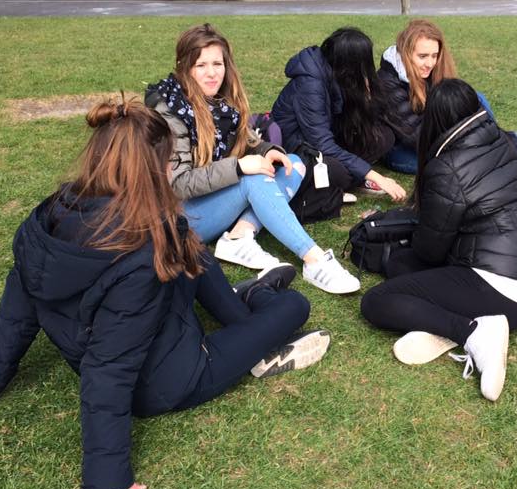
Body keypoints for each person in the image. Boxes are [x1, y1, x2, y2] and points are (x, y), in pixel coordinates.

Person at [0, 97, 330, 489]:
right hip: (169, 381)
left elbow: (13, 320)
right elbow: (108, 365)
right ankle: (258, 299)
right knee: (294, 305)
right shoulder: (141, 251)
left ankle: (245, 314)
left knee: (189, 244)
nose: (172, 169)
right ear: (154, 168)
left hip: (158, 322)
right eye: (169, 161)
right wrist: (104, 477)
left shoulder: (50, 216)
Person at [359, 79, 517, 401]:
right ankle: (450, 323)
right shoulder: (499, 141)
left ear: (434, 117)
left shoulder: (446, 166)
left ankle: (472, 332)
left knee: (376, 300)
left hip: (494, 287)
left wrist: (408, 234)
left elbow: (430, 250)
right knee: (400, 263)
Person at [146, 24, 361, 294]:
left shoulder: (221, 100)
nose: (212, 73)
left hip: (212, 196)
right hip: (179, 217)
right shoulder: (170, 111)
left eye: (217, 64)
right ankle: (314, 260)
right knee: (253, 179)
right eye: (201, 65)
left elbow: (248, 141)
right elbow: (178, 185)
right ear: (185, 68)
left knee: (292, 163)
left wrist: (267, 150)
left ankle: (239, 236)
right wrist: (238, 167)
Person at [272, 27, 407, 201]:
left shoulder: (334, 71)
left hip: (326, 136)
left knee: (383, 137)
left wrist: (367, 97)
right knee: (338, 172)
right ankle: (344, 182)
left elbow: (354, 118)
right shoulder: (310, 86)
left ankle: (351, 177)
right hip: (298, 148)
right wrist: (375, 175)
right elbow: (321, 143)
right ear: (351, 64)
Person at [376, 19, 497, 174]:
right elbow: (415, 136)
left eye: (435, 55)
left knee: (477, 98)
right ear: (405, 53)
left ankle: (491, 141)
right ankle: (485, 149)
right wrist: (459, 138)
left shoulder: (432, 70)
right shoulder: (388, 82)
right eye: (423, 56)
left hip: (434, 131)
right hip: (403, 147)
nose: (430, 63)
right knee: (455, 163)